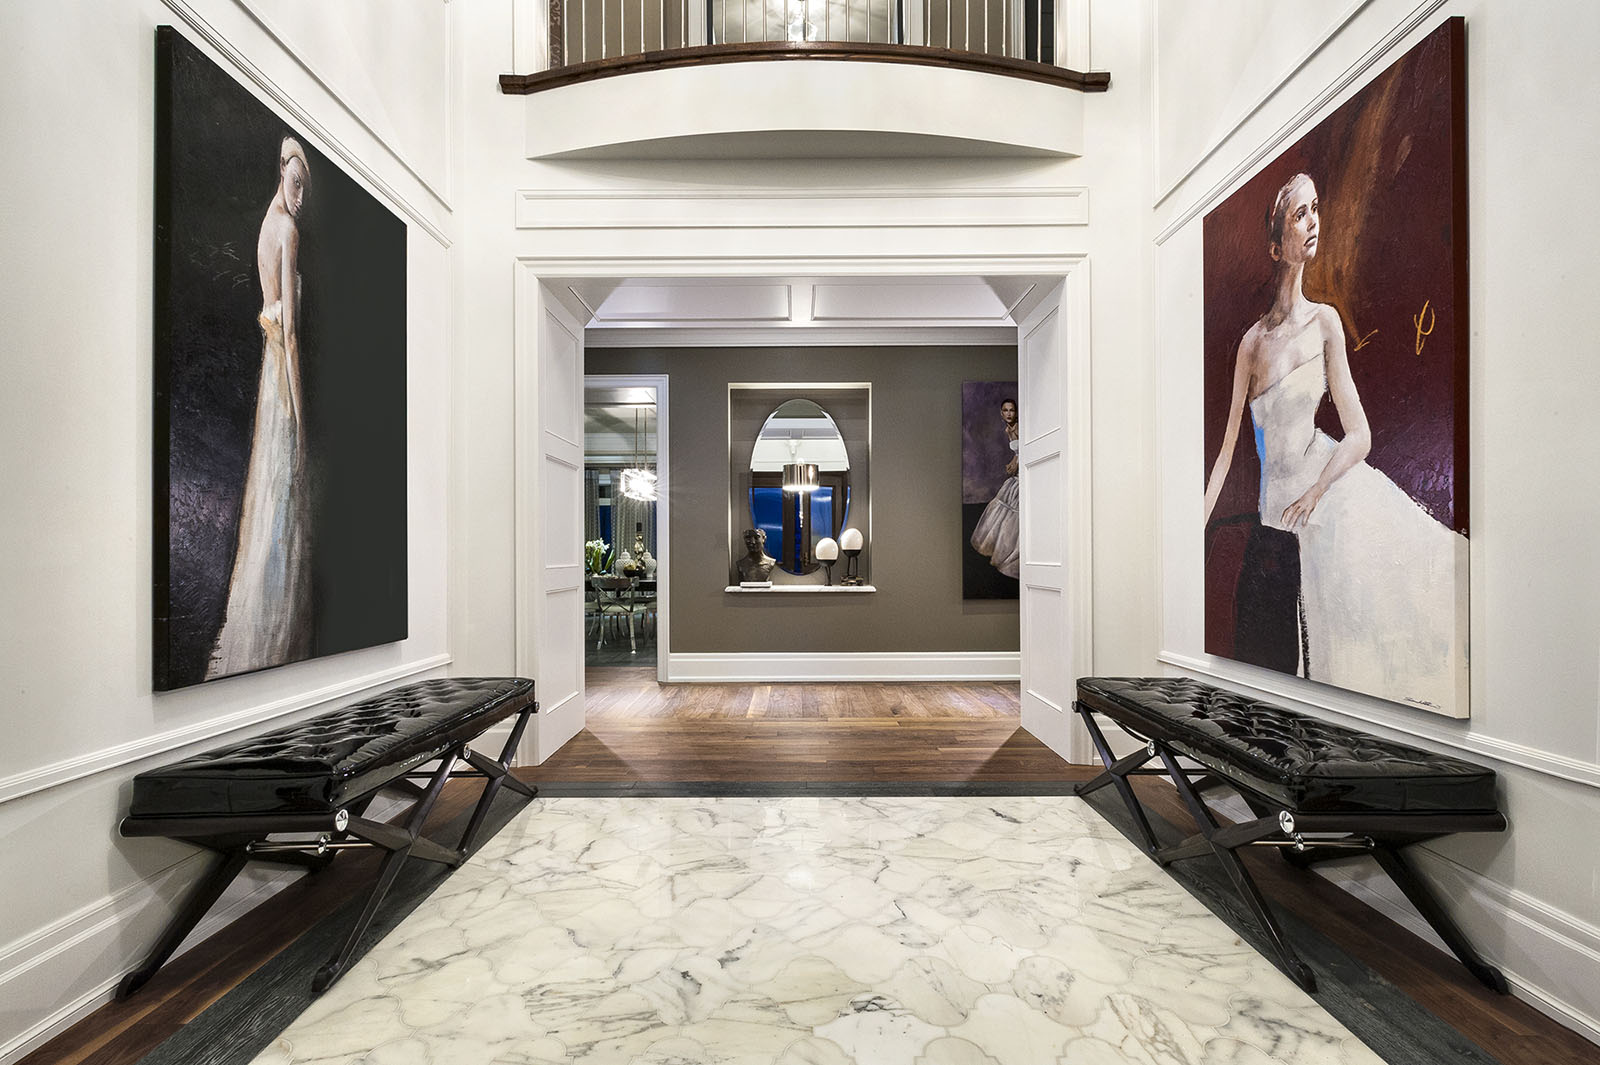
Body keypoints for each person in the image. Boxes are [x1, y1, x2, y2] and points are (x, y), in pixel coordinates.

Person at [1203, 173, 1463, 711]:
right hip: (1278, 509)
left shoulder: (1326, 323)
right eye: (1300, 214)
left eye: (1316, 209)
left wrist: (1317, 491)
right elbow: (1228, 449)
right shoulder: (1251, 345)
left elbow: (1360, 434)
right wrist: (1193, 527)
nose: (1314, 221)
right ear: (1276, 244)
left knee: (1371, 625)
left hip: (1328, 494)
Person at [208, 137, 315, 677]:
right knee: (282, 482)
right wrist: (299, 414)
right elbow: (290, 334)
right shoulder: (288, 232)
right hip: (280, 373)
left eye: (305, 190)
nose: (299, 197)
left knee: (268, 494)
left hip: (266, 368)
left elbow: (271, 314)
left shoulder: (267, 224)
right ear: (282, 172)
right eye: (295, 184)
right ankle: (271, 634)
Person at [969, 398, 1021, 579]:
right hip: (1016, 471)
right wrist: (1013, 462)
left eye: (1012, 410)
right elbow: (1017, 452)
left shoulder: (1020, 427)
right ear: (1001, 413)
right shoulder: (1008, 430)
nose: (1009, 414)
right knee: (1004, 508)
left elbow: (1024, 450)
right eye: (1005, 410)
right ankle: (1000, 546)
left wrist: (1015, 463)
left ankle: (1011, 552)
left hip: (1022, 473)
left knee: (1014, 512)